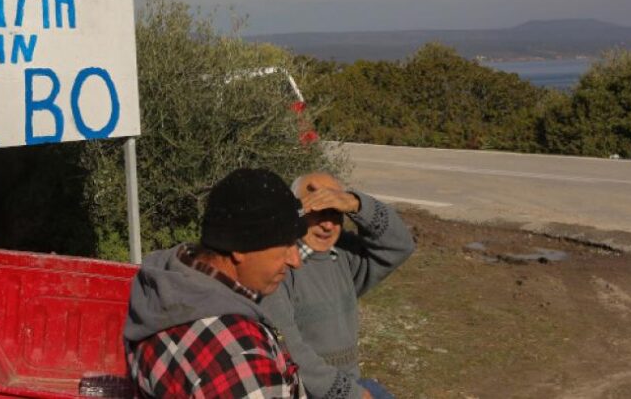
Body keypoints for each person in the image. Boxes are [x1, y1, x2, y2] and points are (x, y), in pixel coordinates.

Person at [124, 168, 309, 398]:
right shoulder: (239, 361)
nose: (295, 260)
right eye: (286, 244)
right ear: (241, 247)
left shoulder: (165, 285)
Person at [261, 172, 415, 399]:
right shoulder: (279, 269)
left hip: (351, 384)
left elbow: (400, 245)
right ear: (296, 213)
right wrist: (352, 394)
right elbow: (290, 353)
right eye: (317, 213)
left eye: (335, 213)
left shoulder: (343, 254)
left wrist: (356, 203)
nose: (327, 225)